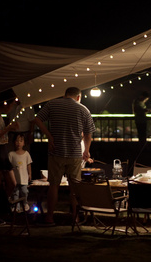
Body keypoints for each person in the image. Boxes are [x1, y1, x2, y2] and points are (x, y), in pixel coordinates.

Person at [34, 87, 96, 226]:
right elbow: (88, 135)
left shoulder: (52, 104)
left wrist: (49, 136)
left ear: (65, 95)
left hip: (56, 152)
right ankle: (75, 218)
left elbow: (37, 120)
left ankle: (49, 217)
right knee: (74, 188)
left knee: (54, 185)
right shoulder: (83, 109)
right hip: (75, 154)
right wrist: (86, 151)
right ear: (78, 97)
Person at [9, 133, 33, 212]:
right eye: (16, 141)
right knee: (15, 193)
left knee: (24, 191)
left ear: (24, 143)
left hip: (24, 177)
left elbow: (28, 165)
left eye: (21, 141)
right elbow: (9, 167)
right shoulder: (11, 154)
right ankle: (16, 207)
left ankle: (25, 203)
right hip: (15, 178)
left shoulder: (26, 154)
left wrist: (30, 174)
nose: (18, 143)